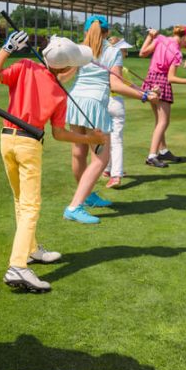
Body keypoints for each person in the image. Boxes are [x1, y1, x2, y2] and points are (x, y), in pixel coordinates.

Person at [0, 33, 106, 292]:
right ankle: (18, 266)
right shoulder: (59, 93)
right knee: (30, 206)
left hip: (7, 140)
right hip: (29, 145)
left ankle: (31, 249)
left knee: (20, 201)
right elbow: (59, 134)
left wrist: (7, 49)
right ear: (67, 68)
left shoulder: (26, 66)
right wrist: (91, 137)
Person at [63, 16, 158, 223]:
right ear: (106, 32)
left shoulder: (78, 49)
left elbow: (64, 75)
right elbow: (115, 85)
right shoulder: (113, 51)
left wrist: (143, 91)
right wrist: (144, 96)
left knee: (79, 153)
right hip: (95, 104)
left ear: (86, 31)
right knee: (101, 159)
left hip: (75, 101)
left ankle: (86, 196)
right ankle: (75, 205)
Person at [138, 25, 186, 168]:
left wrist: (150, 36)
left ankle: (163, 150)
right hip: (162, 82)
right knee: (164, 122)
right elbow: (171, 78)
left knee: (159, 120)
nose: (185, 46)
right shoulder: (177, 54)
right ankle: (152, 155)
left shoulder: (160, 39)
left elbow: (142, 53)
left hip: (150, 80)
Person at [104, 36, 135, 189]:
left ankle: (107, 169)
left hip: (102, 102)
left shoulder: (101, 63)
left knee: (105, 138)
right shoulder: (121, 69)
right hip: (115, 103)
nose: (126, 53)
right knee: (116, 140)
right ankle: (116, 175)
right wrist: (146, 94)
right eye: (124, 50)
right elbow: (129, 87)